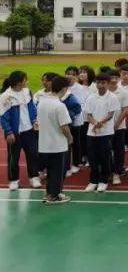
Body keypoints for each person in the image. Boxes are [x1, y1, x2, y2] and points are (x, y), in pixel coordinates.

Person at [36, 75, 74, 204]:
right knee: (57, 171)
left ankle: (49, 193)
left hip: (44, 143)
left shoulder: (42, 102)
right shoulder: (59, 106)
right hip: (57, 144)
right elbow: (64, 126)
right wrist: (70, 138)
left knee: (51, 171)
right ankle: (53, 195)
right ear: (63, 89)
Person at [83, 72, 120, 192]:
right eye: (98, 83)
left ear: (108, 84)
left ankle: (103, 181)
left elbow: (110, 114)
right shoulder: (91, 97)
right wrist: (94, 123)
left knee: (104, 157)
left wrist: (100, 123)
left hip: (105, 132)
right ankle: (93, 181)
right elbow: (88, 115)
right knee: (92, 158)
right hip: (92, 132)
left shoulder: (112, 97)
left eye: (103, 83)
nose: (100, 85)